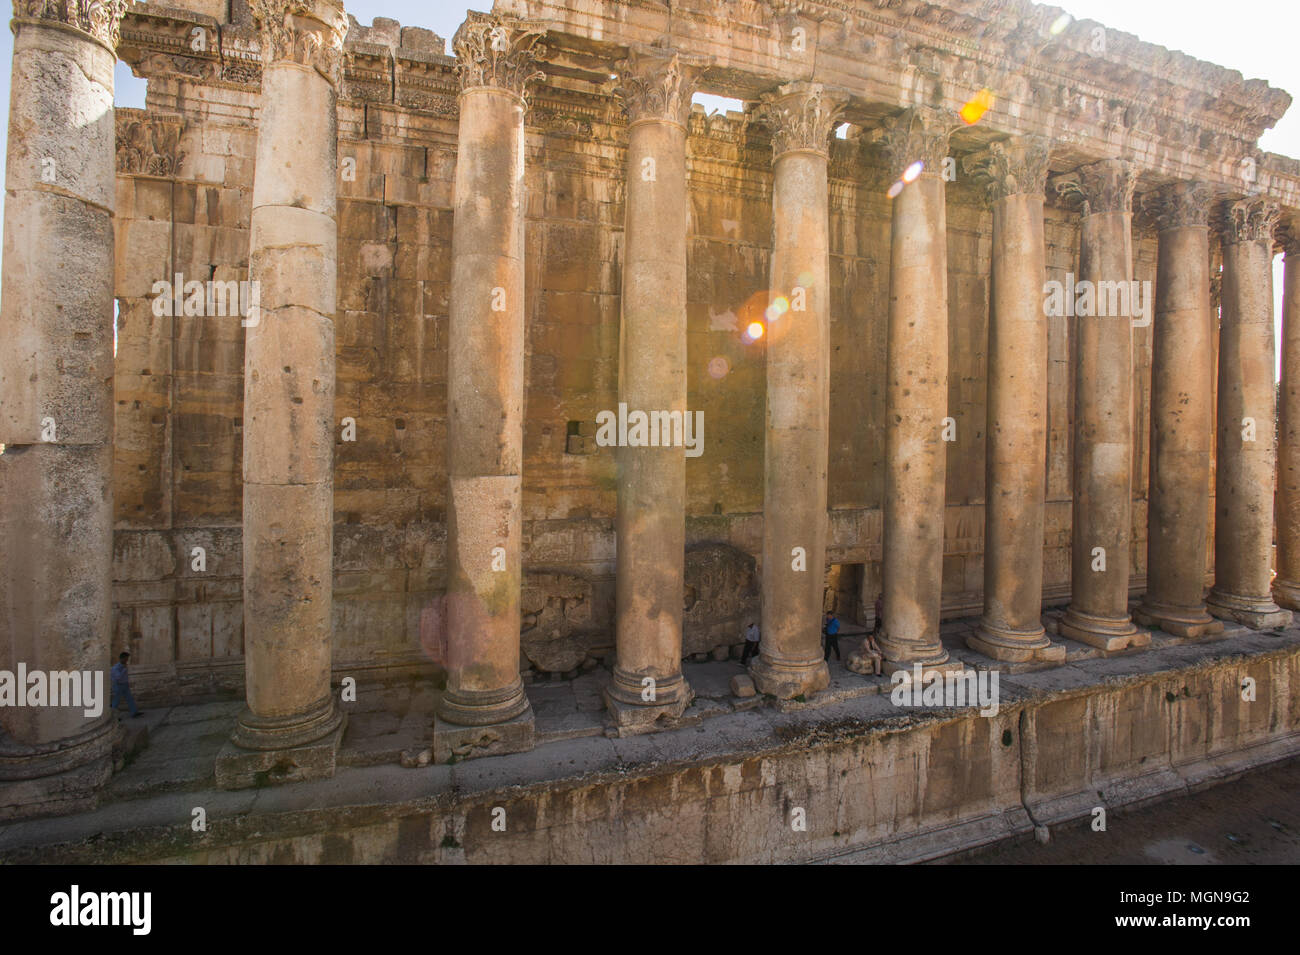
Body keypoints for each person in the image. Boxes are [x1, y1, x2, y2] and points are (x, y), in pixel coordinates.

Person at [110, 651, 141, 719]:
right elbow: (118, 677)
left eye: (127, 659)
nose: (127, 660)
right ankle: (112, 716)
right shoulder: (116, 668)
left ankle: (134, 712)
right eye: (126, 659)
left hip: (125, 685)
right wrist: (124, 670)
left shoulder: (123, 666)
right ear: (122, 658)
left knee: (130, 698)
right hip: (118, 685)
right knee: (116, 701)